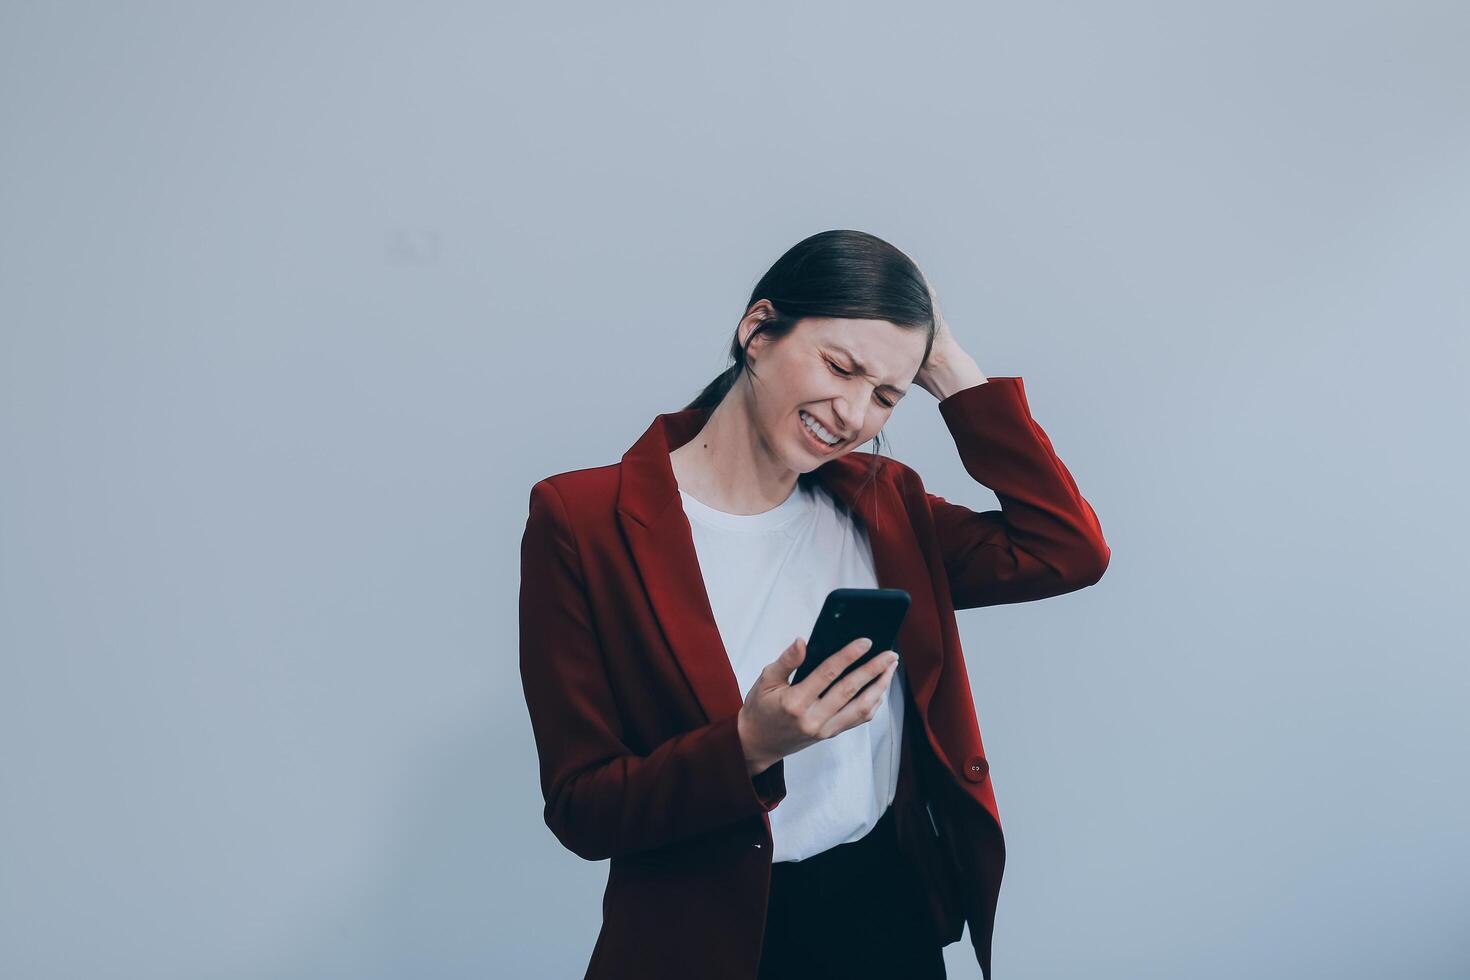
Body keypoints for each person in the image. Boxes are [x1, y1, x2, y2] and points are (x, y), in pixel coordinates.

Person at [519, 229, 1111, 980]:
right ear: (757, 330)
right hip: (705, 939)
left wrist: (951, 365)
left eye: (886, 394)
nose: (855, 412)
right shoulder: (582, 519)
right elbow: (582, 807)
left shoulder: (881, 501)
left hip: (885, 915)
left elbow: (1066, 549)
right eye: (841, 365)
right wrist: (749, 745)